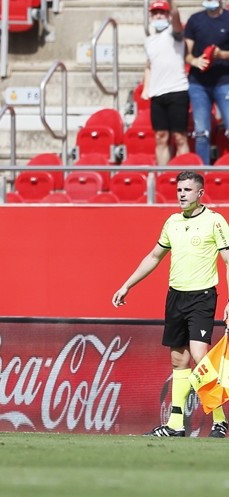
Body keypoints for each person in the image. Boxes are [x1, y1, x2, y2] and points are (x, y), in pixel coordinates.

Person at [113, 171, 228, 438]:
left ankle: (220, 419)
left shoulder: (215, 221)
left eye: (187, 190)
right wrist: (127, 284)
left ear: (200, 193)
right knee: (179, 361)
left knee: (200, 356)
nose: (182, 195)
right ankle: (175, 425)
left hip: (202, 296)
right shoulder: (173, 222)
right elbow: (154, 257)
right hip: (176, 297)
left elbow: (228, 262)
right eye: (179, 190)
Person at [143, 0, 190, 166]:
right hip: (158, 93)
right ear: (150, 16)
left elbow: (177, 18)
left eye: (162, 13)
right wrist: (146, 87)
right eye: (155, 13)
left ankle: (185, 175)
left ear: (168, 15)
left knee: (179, 136)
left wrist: (170, 3)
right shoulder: (148, 41)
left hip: (177, 90)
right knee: (160, 137)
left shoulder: (174, 33)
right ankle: (163, 175)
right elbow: (149, 65)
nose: (158, 16)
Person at [184, 0, 229, 165]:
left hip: (224, 82)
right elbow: (186, 53)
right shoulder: (195, 20)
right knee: (201, 133)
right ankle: (202, 172)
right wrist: (195, 61)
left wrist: (221, 55)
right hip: (199, 85)